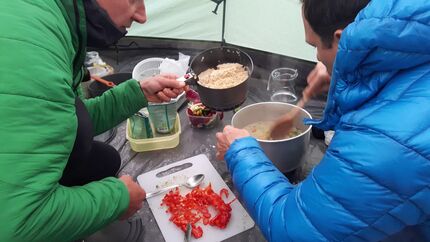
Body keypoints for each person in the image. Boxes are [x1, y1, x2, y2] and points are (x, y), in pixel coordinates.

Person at [216, 0, 430, 241]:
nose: (317, 57)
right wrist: (345, 70)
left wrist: (242, 152)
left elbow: (293, 231)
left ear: (340, 39)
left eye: (315, 45)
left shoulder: (384, 143)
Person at [0, 0, 186, 241]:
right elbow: (18, 225)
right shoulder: (32, 47)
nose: (142, 16)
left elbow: (67, 117)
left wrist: (138, 93)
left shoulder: (51, 18)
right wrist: (117, 199)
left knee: (104, 160)